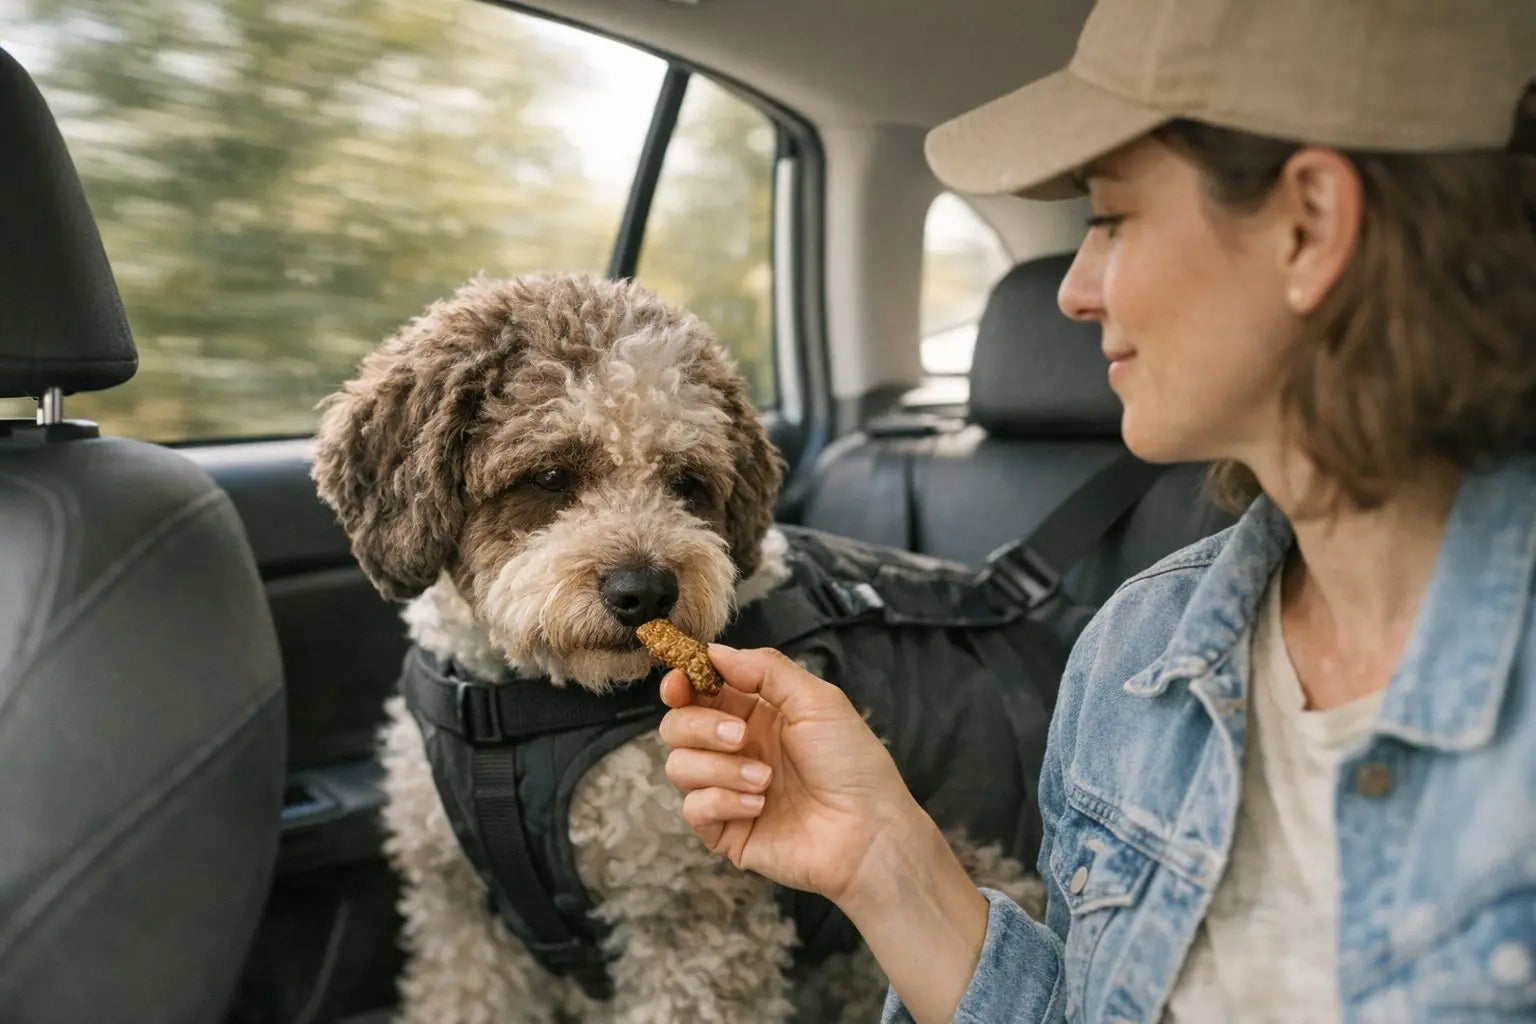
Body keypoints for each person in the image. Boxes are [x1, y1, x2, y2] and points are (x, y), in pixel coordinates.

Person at [655, 0, 1536, 1021]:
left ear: (1311, 225)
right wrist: (880, 855)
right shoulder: (1134, 656)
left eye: (1111, 217)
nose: (1071, 290)